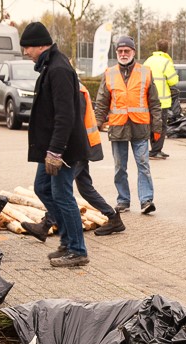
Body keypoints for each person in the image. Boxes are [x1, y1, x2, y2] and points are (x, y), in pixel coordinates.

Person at [18, 22, 91, 267]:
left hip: (63, 149)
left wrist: (56, 151)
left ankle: (77, 250)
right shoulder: (50, 66)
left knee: (63, 195)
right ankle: (67, 241)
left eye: (27, 47)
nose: (25, 52)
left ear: (41, 45)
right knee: (42, 187)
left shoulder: (58, 68)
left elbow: (65, 114)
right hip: (52, 146)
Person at [23, 82, 127, 239]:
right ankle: (113, 217)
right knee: (84, 187)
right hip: (81, 146)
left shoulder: (72, 89)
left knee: (59, 190)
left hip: (75, 148)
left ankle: (49, 225)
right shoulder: (73, 87)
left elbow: (71, 122)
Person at [94, 36, 162, 215]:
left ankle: (146, 200)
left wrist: (157, 128)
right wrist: (97, 124)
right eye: (120, 51)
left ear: (133, 52)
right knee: (119, 167)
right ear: (116, 53)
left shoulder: (145, 72)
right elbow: (102, 102)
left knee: (143, 164)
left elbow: (154, 103)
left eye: (127, 51)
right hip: (118, 127)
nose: (123, 54)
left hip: (140, 126)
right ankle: (123, 200)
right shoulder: (109, 73)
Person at [143, 39, 178, 159]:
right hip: (162, 101)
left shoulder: (148, 61)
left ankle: (155, 149)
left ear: (156, 47)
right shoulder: (166, 62)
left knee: (153, 125)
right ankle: (156, 151)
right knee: (161, 126)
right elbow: (173, 80)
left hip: (149, 100)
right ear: (167, 49)